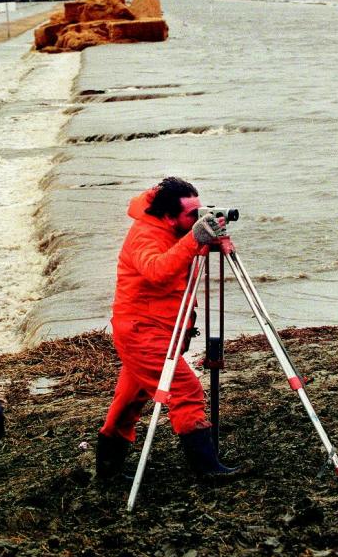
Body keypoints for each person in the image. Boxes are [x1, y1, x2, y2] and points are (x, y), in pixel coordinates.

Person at [96, 177, 235, 479]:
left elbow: (182, 252)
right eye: (192, 214)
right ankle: (205, 467)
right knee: (185, 389)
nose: (197, 218)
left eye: (200, 211)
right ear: (170, 216)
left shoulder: (175, 229)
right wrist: (194, 238)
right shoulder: (145, 235)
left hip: (159, 328)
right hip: (141, 330)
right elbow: (158, 271)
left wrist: (213, 238)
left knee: (129, 400)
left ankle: (107, 470)